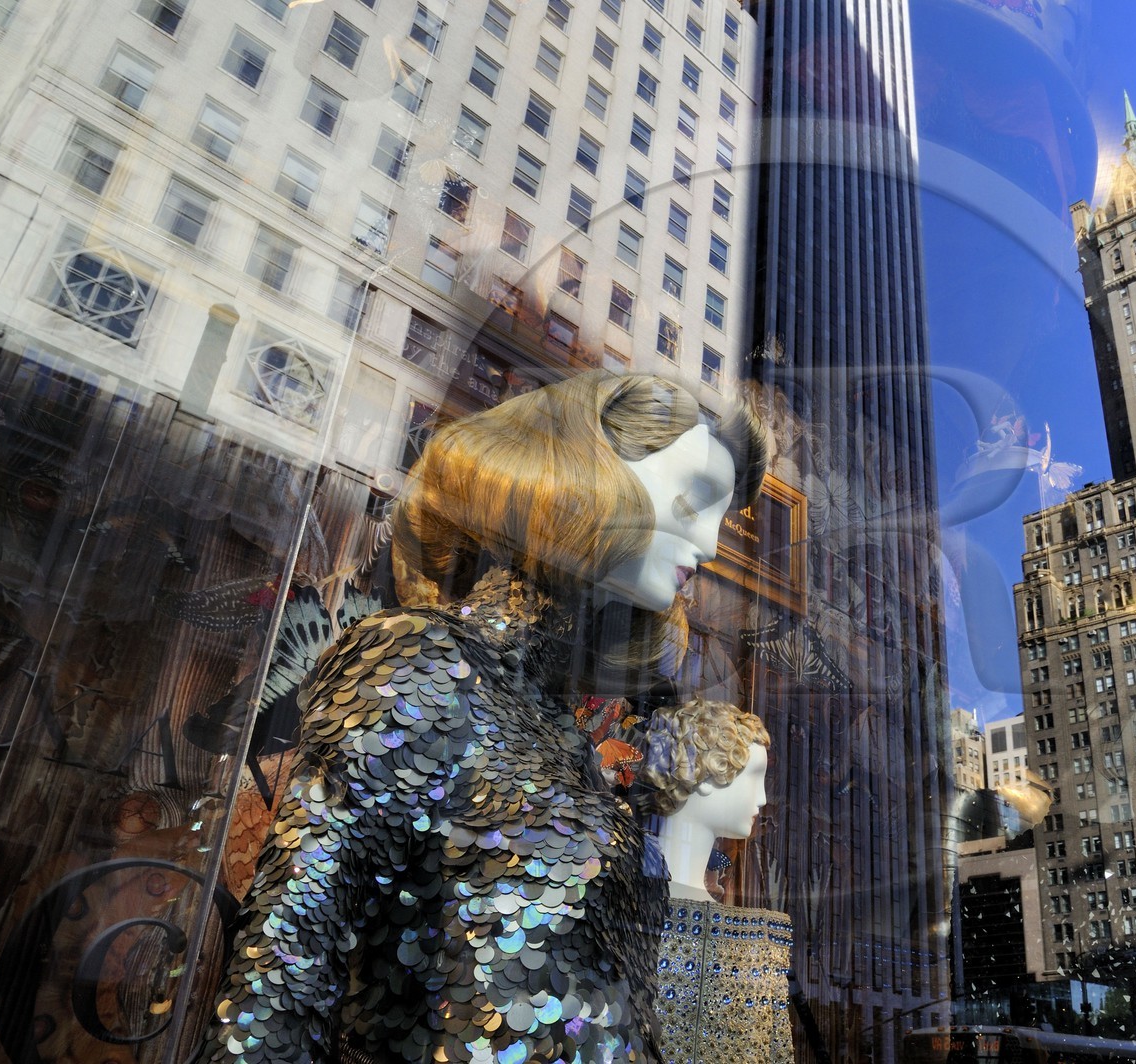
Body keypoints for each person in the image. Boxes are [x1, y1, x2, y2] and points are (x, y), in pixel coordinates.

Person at [198, 372, 765, 1064]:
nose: (709, 544)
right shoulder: (423, 662)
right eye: (695, 497)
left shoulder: (560, 737)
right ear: (595, 468)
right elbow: (282, 970)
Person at [638, 701, 792, 1064]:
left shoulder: (759, 945)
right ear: (706, 774)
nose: (762, 799)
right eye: (754, 776)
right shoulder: (627, 912)